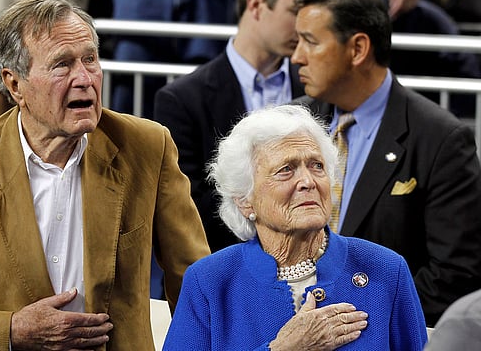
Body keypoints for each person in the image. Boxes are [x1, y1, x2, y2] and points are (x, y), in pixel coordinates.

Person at [0, 0, 210, 350]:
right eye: (62, 64)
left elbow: (196, 284)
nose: (85, 78)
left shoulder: (146, 147)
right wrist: (12, 332)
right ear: (15, 84)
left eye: (90, 59)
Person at [163, 105, 427, 350]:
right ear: (245, 201)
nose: (307, 181)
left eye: (317, 166)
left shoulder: (386, 270)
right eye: (286, 169)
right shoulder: (210, 281)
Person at [290, 0, 481, 326]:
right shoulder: (292, 122)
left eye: (309, 42)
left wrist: (356, 322)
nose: (296, 57)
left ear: (358, 49)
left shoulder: (440, 139)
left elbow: (453, 273)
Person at [153, 0, 306, 253]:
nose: (304, 27)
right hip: (224, 264)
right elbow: (187, 207)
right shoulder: (182, 99)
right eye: (295, 12)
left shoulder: (315, 87)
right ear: (256, 5)